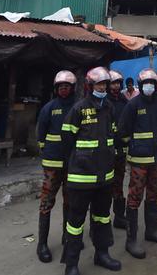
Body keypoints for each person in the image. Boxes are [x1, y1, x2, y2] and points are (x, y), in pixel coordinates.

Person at [59, 66, 121, 275]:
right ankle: (71, 264)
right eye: (99, 84)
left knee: (102, 217)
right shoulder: (79, 109)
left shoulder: (110, 108)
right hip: (82, 176)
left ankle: (102, 254)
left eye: (105, 84)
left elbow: (112, 135)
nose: (103, 88)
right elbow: (67, 139)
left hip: (104, 175)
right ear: (89, 86)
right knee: (76, 221)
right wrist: (80, 160)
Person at [117, 69, 157, 259]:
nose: (149, 86)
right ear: (140, 85)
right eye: (146, 82)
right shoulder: (132, 105)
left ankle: (152, 231)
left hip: (156, 160)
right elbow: (123, 131)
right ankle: (131, 241)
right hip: (139, 161)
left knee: (153, 196)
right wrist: (134, 145)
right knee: (134, 198)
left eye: (152, 83)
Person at [35, 70, 79, 263]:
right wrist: (48, 153)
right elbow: (41, 135)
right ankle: (42, 244)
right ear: (56, 88)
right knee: (47, 202)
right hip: (52, 165)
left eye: (67, 87)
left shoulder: (78, 107)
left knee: (70, 201)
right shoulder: (49, 108)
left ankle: (67, 236)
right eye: (61, 86)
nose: (63, 89)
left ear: (73, 88)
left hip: (72, 163)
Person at [108, 70, 129, 230]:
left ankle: (119, 217)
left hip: (120, 151)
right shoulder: (103, 103)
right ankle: (101, 220)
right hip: (104, 153)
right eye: (113, 83)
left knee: (119, 184)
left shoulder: (123, 101)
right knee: (103, 187)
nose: (116, 86)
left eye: (118, 83)